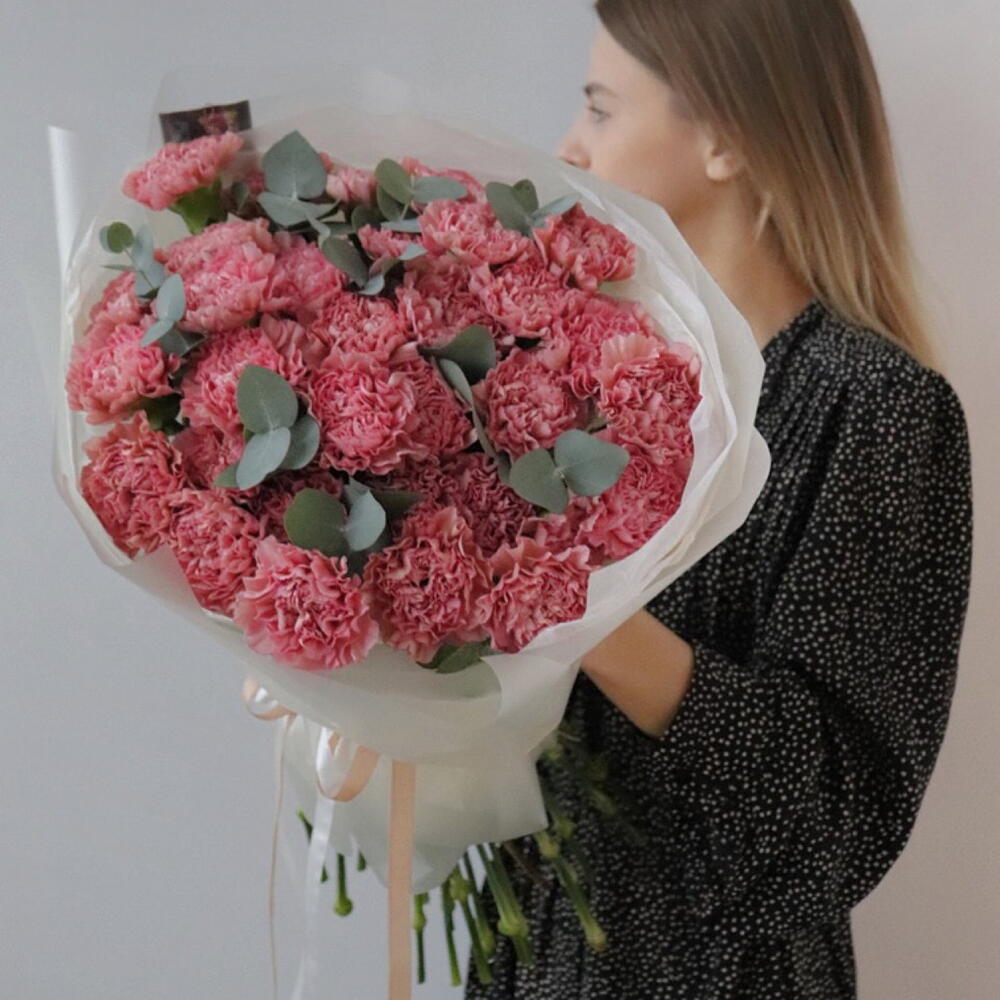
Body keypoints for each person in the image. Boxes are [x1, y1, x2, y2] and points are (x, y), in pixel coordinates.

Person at [464, 1, 974, 997]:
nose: (571, 146)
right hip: (537, 958)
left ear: (726, 141)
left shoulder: (876, 408)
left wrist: (583, 605)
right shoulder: (584, 383)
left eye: (601, 107)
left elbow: (837, 809)